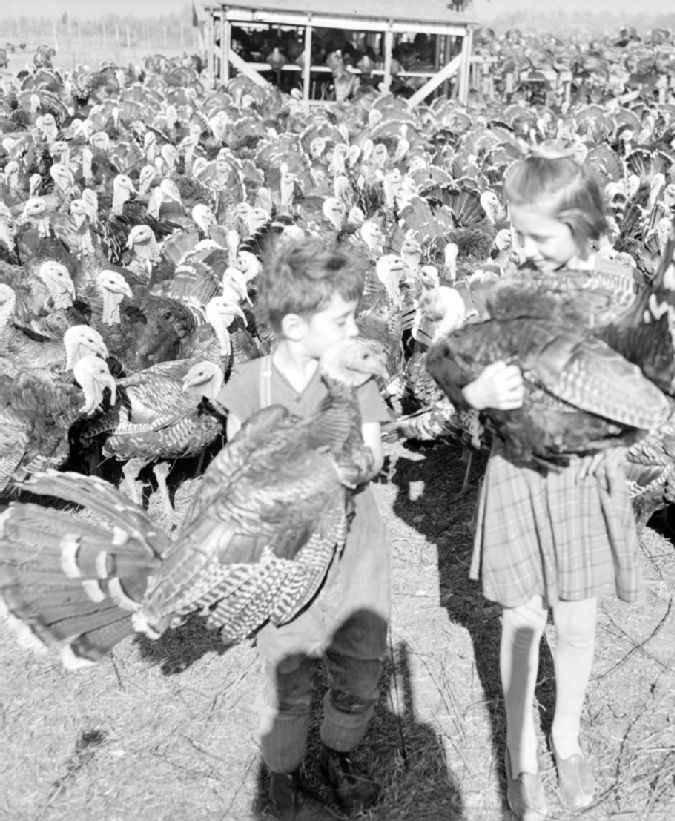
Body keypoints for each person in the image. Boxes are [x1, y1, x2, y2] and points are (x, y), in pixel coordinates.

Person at [461, 144, 641, 820]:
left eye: (537, 237)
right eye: (517, 235)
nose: (524, 250)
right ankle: (521, 754)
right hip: (518, 471)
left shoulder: (618, 293)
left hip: (583, 477)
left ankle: (565, 735)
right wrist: (475, 392)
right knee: (522, 618)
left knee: (576, 618)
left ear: (580, 226)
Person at [217, 238, 392, 820]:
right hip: (283, 555)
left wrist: (336, 462)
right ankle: (284, 774)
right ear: (295, 326)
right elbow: (237, 470)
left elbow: (372, 457)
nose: (354, 330)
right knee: (288, 671)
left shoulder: (354, 377)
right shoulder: (251, 384)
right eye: (342, 320)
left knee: (359, 668)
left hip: (353, 551)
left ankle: (338, 757)